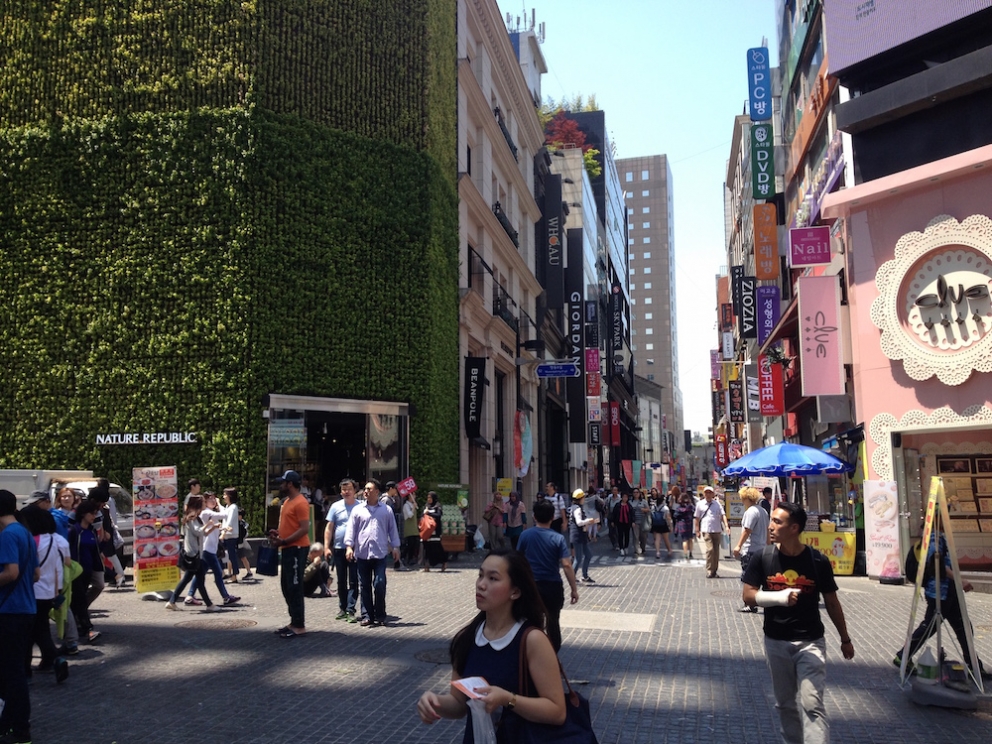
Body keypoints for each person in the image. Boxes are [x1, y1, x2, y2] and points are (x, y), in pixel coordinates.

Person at [416, 550, 567, 742]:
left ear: (515, 591)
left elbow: (557, 711)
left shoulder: (532, 640)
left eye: (493, 578)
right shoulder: (467, 638)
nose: (481, 584)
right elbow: (459, 704)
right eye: (480, 575)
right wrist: (435, 702)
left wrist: (508, 699)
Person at [742, 501, 855, 744]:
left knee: (812, 703)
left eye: (777, 522)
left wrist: (845, 639)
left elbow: (832, 602)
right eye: (771, 520)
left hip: (811, 641)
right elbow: (748, 596)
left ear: (794, 528)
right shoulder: (763, 557)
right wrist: (778, 598)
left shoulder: (817, 561)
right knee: (785, 704)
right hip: (776, 641)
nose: (770, 526)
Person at [893, 529, 991, 681]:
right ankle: (903, 656)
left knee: (963, 627)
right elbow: (937, 562)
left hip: (948, 590)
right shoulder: (934, 536)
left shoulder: (937, 536)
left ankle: (973, 665)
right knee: (930, 627)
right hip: (940, 591)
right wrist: (960, 581)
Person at [0, 489, 40, 744]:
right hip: (27, 609)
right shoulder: (24, 532)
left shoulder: (7, 536)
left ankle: (20, 727)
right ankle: (10, 724)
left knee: (11, 672)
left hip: (9, 611)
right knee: (13, 670)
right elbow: (35, 574)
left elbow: (11, 572)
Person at [517, 500, 579, 652]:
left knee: (531, 622)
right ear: (553, 517)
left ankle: (531, 653)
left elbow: (517, 560)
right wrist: (574, 589)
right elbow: (566, 564)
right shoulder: (557, 538)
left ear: (534, 517)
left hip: (531, 586)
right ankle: (552, 655)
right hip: (552, 586)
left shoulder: (525, 535)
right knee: (553, 622)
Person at [20, 505, 70, 683]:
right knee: (40, 631)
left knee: (28, 633)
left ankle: (31, 667)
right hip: (49, 593)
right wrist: (56, 592)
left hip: (32, 592)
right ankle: (52, 660)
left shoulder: (32, 541)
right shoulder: (54, 540)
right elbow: (59, 569)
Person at [345, 479, 401, 627]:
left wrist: (395, 548)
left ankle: (380, 614)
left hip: (380, 554)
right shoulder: (358, 510)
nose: (366, 491)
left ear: (377, 492)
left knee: (380, 583)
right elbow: (351, 529)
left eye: (369, 489)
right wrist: (349, 547)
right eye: (365, 489)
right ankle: (367, 615)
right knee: (364, 586)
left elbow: (392, 530)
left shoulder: (386, 510)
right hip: (362, 554)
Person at [269, 470, 311, 638]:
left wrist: (285, 541)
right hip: (287, 548)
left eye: (284, 482)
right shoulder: (286, 502)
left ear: (290, 484)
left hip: (297, 549)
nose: (281, 484)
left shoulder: (300, 503)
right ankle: (294, 621)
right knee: (286, 587)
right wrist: (278, 533)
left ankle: (299, 625)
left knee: (294, 586)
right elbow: (290, 526)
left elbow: (304, 529)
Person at [165, 495, 220, 612]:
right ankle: (209, 605)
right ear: (198, 505)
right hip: (193, 554)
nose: (205, 504)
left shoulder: (195, 518)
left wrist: (212, 527)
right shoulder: (192, 519)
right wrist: (209, 524)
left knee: (189, 579)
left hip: (194, 554)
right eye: (203, 503)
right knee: (199, 580)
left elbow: (203, 534)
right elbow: (198, 532)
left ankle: (172, 601)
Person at [324, 478, 360, 623]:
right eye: (344, 490)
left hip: (356, 549)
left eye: (349, 489)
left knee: (353, 580)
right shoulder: (335, 506)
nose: (346, 492)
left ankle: (351, 609)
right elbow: (329, 527)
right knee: (341, 580)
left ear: (355, 491)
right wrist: (326, 546)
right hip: (339, 548)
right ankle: (342, 607)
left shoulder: (361, 506)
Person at [68, 500, 104, 640]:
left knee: (77, 601)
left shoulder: (92, 531)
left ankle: (73, 627)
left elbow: (96, 552)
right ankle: (87, 629)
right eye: (92, 513)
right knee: (80, 600)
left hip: (88, 571)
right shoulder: (74, 531)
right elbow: (69, 551)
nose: (94, 516)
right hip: (75, 572)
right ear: (83, 514)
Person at [198, 492, 239, 606]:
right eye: (210, 499)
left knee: (199, 574)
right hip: (208, 550)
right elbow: (225, 515)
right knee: (218, 573)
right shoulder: (207, 512)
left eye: (214, 499)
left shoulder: (209, 513)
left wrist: (221, 530)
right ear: (205, 502)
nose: (213, 501)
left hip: (209, 549)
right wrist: (220, 504)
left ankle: (188, 596)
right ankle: (225, 597)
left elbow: (212, 529)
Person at [734, 486, 769, 613]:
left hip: (751, 549)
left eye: (742, 498)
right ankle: (766, 602)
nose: (742, 501)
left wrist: (738, 545)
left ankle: (749, 603)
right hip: (763, 549)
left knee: (748, 577)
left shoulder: (750, 512)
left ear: (747, 498)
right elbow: (767, 531)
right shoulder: (763, 511)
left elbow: (747, 530)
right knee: (763, 577)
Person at [694, 486, 729, 578]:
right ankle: (709, 569)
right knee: (710, 550)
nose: (708, 494)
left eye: (710, 493)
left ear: (713, 494)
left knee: (716, 551)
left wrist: (726, 526)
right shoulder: (700, 504)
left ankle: (714, 570)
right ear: (704, 494)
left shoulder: (717, 504)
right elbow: (696, 518)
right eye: (706, 493)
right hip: (706, 530)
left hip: (717, 530)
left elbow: (723, 515)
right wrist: (697, 530)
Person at [568, 489, 598, 583]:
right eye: (583, 497)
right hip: (577, 535)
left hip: (581, 535)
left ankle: (585, 576)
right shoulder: (577, 509)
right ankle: (572, 577)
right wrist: (589, 521)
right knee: (578, 558)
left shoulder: (575, 507)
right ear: (580, 498)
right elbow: (579, 522)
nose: (584, 499)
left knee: (588, 555)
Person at [220, 487, 242, 583]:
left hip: (231, 536)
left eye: (225, 494)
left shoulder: (233, 507)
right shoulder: (228, 507)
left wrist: (223, 533)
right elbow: (223, 513)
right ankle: (224, 573)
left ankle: (234, 576)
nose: (223, 496)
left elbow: (229, 521)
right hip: (227, 535)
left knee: (232, 556)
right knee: (219, 553)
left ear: (230, 496)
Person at [422, 491, 447, 572]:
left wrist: (429, 513)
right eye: (428, 498)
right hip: (427, 531)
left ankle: (444, 562)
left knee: (437, 548)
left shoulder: (438, 506)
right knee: (427, 548)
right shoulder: (426, 506)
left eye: (430, 498)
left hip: (435, 531)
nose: (429, 499)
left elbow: (439, 516)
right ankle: (427, 565)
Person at [671, 487, 695, 560]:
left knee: (684, 540)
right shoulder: (690, 507)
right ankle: (690, 553)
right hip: (690, 524)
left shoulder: (679, 508)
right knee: (690, 539)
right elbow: (694, 513)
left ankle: (685, 554)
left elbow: (675, 515)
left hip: (682, 524)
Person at [648, 488, 673, 560]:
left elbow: (651, 515)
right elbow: (668, 518)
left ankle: (658, 552)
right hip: (663, 524)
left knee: (657, 539)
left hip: (655, 524)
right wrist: (671, 526)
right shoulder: (665, 508)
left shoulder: (653, 507)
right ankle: (669, 550)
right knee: (666, 539)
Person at [612, 491, 635, 557]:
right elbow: (614, 513)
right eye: (624, 497)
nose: (625, 498)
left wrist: (633, 521)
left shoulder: (629, 505)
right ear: (621, 497)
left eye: (626, 497)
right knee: (620, 535)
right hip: (620, 522)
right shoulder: (618, 505)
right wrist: (613, 521)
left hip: (627, 522)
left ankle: (626, 547)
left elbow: (632, 514)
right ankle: (621, 548)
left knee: (627, 535)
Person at [401, 491, 421, 567]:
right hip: (409, 529)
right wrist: (413, 508)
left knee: (415, 545)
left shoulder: (412, 505)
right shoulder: (406, 506)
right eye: (414, 494)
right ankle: (404, 558)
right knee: (409, 545)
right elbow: (409, 515)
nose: (415, 496)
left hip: (414, 529)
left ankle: (411, 559)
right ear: (410, 496)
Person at [604, 485, 622, 550]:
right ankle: (614, 543)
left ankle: (617, 544)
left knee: (617, 531)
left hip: (618, 516)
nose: (614, 491)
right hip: (610, 516)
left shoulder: (620, 499)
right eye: (613, 490)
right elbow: (605, 504)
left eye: (615, 490)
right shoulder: (609, 498)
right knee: (611, 532)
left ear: (617, 491)